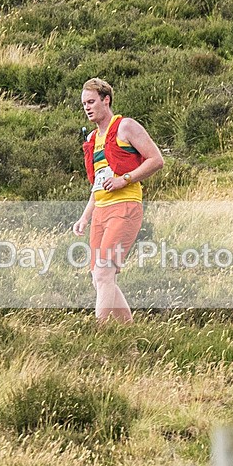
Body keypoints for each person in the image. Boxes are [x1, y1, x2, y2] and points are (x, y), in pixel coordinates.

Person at [72, 78, 164, 323]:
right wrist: (85, 216)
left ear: (106, 100)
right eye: (84, 104)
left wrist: (126, 178)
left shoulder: (126, 126)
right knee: (100, 277)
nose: (87, 108)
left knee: (103, 272)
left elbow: (156, 160)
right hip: (100, 211)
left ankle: (100, 337)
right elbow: (98, 183)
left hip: (125, 206)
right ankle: (126, 336)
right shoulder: (92, 139)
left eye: (91, 102)